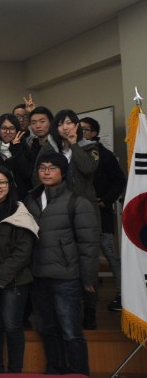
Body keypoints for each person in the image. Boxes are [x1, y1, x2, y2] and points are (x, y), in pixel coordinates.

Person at [25, 153, 99, 375]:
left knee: (71, 332)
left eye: (52, 168)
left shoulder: (78, 202)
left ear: (63, 172)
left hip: (66, 278)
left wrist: (88, 279)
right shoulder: (30, 199)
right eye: (42, 168)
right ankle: (55, 370)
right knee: (47, 329)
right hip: (38, 276)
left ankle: (78, 373)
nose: (46, 172)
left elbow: (89, 245)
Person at [0, 166, 38, 374]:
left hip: (15, 281)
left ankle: (14, 372)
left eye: (2, 182)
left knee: (12, 326)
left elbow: (23, 253)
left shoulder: (21, 213)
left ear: (10, 185)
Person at [80, 116, 126, 311]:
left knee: (110, 254)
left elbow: (119, 180)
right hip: (80, 214)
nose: (81, 132)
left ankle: (123, 295)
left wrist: (105, 200)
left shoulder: (105, 155)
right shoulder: (74, 152)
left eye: (85, 129)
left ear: (94, 133)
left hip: (101, 213)